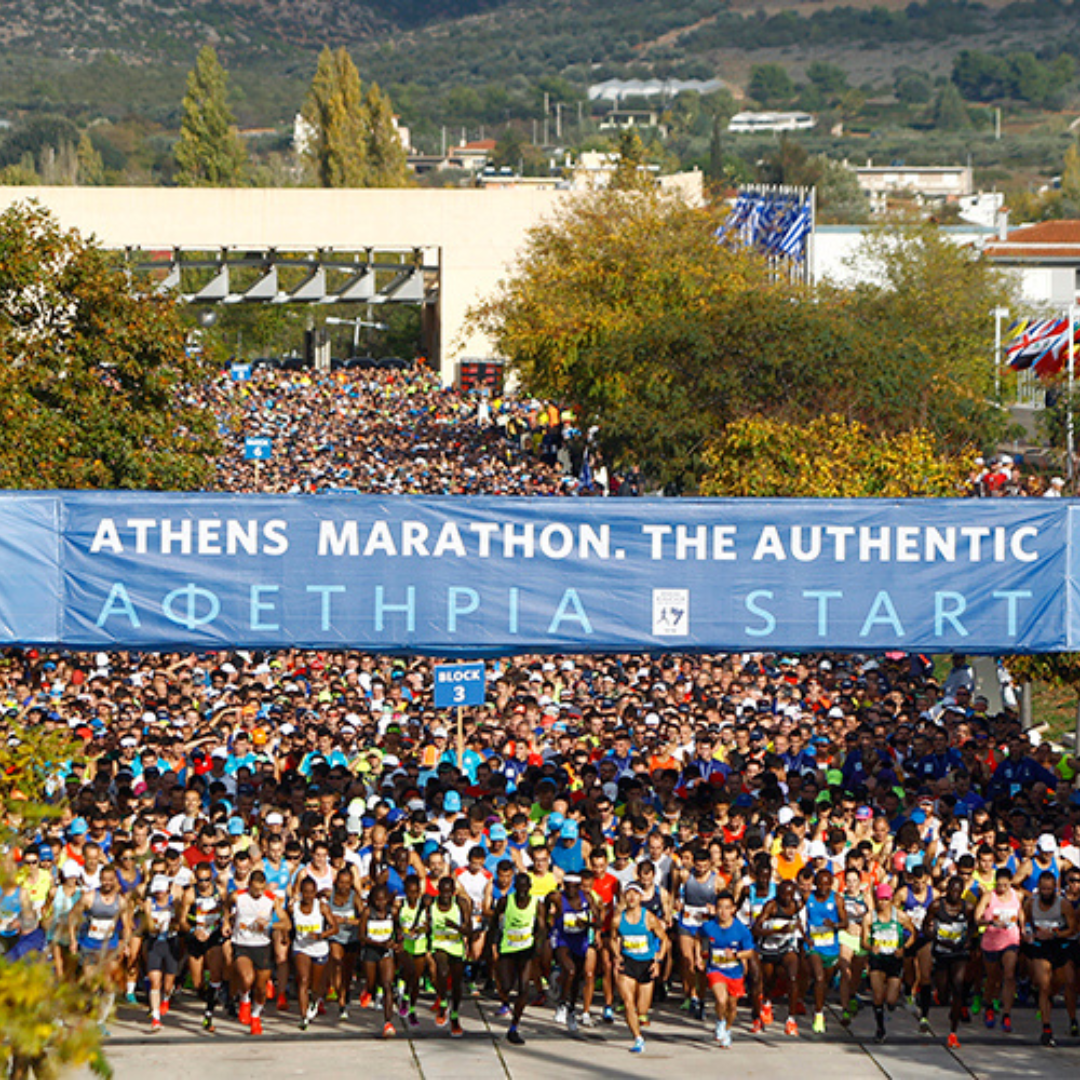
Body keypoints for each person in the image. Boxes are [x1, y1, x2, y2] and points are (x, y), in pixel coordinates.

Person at [229, 869, 291, 1036]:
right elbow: (226, 907)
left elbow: (286, 923)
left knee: (261, 988)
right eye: (255, 890)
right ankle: (244, 998)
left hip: (262, 945)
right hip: (242, 943)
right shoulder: (238, 896)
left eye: (261, 889)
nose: (258, 893)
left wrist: (270, 925)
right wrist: (227, 921)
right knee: (247, 978)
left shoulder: (271, 899)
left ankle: (256, 1016)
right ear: (249, 885)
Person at [1022, 870, 1077, 1046]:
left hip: (1059, 944)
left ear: (1055, 888)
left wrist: (1055, 933)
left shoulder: (1063, 905)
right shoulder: (1031, 903)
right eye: (1043, 889)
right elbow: (1026, 921)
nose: (1046, 892)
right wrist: (1028, 933)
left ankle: (1073, 1018)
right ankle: (1046, 1028)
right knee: (1043, 985)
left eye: (1049, 889)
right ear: (1039, 888)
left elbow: (1073, 929)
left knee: (1068, 981)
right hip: (1040, 947)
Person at [612, 881, 667, 1053]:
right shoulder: (617, 919)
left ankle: (639, 1024)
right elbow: (613, 939)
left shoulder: (649, 917)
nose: (631, 897)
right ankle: (638, 1038)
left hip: (646, 964)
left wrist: (658, 960)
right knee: (629, 1004)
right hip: (628, 962)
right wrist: (617, 955)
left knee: (642, 1009)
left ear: (641, 897)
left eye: (635, 893)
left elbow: (665, 940)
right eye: (628, 893)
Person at [698, 888, 753, 1049]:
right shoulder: (709, 926)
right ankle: (720, 1022)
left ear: (733, 909)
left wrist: (736, 955)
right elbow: (697, 938)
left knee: (732, 1006)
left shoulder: (741, 929)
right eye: (720, 907)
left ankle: (728, 1029)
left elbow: (750, 952)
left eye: (727, 908)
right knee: (721, 999)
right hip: (716, 969)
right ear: (715, 909)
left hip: (735, 972)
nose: (723, 912)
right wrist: (698, 956)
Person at [495, 871, 544, 1046]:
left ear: (530, 888)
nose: (523, 892)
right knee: (507, 986)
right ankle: (505, 1001)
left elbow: (542, 927)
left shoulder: (536, 904)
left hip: (526, 949)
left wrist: (538, 945)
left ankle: (514, 1027)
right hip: (507, 949)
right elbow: (494, 922)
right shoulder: (505, 901)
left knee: (524, 988)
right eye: (520, 888)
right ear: (515, 887)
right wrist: (493, 945)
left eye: (526, 888)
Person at [925, 875, 974, 1048]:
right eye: (951, 890)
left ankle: (953, 1032)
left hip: (959, 952)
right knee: (944, 995)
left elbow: (972, 926)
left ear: (962, 892)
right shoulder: (937, 906)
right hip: (941, 952)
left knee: (958, 986)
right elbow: (925, 926)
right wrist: (936, 937)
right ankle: (940, 993)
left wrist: (967, 940)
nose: (954, 893)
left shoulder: (967, 908)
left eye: (957, 891)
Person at [863, 883, 913, 1044]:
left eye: (886, 899)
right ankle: (880, 1028)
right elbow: (863, 941)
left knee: (891, 999)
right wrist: (871, 947)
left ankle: (891, 1004)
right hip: (877, 959)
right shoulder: (870, 917)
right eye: (880, 899)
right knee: (877, 995)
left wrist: (903, 948)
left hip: (894, 959)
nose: (883, 903)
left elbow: (913, 933)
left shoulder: (899, 916)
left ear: (891, 899)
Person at [975, 866, 1023, 1033]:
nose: (1002, 888)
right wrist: (990, 922)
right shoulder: (990, 896)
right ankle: (988, 1005)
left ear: (1010, 883)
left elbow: (1022, 917)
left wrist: (1025, 931)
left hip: (1011, 939)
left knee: (1009, 975)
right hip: (992, 941)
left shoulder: (1017, 896)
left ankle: (1006, 1014)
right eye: (999, 885)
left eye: (1005, 885)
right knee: (992, 979)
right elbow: (976, 917)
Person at [179, 862, 227, 1032]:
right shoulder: (190, 894)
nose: (204, 883)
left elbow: (226, 910)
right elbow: (182, 920)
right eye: (201, 880)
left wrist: (225, 923)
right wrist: (193, 931)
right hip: (196, 937)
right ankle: (208, 995)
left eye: (207, 879)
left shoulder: (220, 891)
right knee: (198, 982)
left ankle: (209, 1013)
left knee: (215, 973)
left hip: (213, 935)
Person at [754, 879, 803, 1036]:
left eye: (790, 894)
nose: (787, 898)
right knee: (769, 979)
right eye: (783, 894)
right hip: (769, 947)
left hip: (787, 946)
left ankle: (791, 1019)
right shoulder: (771, 906)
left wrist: (805, 938)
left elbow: (799, 923)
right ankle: (767, 1001)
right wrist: (776, 932)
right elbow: (756, 928)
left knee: (793, 977)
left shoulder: (797, 905)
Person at [551, 873, 599, 1031]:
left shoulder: (587, 898)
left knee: (577, 976)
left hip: (580, 939)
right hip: (562, 939)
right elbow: (544, 905)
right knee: (570, 970)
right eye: (567, 887)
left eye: (574, 887)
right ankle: (562, 1004)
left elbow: (598, 920)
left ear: (579, 887)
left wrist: (587, 923)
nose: (570, 891)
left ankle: (572, 1008)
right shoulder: (557, 897)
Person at [430, 874, 472, 1038]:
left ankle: (454, 1015)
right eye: (443, 892)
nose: (446, 896)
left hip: (456, 945)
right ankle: (442, 1001)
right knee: (441, 970)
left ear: (454, 892)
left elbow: (470, 931)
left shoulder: (461, 904)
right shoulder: (431, 904)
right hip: (438, 944)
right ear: (438, 891)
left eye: (449, 892)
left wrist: (455, 926)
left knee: (456, 983)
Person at [803, 867, 844, 1034]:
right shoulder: (808, 898)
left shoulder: (837, 900)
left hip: (830, 946)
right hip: (813, 946)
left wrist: (834, 925)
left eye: (827, 885)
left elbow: (845, 922)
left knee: (825, 981)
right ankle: (819, 1015)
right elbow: (799, 919)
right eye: (820, 884)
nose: (823, 888)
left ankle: (819, 1002)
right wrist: (804, 937)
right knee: (819, 978)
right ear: (815, 884)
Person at [360, 883, 399, 1037]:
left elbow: (398, 929)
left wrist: (398, 943)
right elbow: (361, 936)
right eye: (377, 900)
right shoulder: (367, 913)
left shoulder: (392, 912)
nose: (380, 903)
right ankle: (368, 990)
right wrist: (377, 943)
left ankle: (388, 1022)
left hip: (386, 951)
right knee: (371, 983)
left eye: (383, 900)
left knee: (387, 985)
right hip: (371, 950)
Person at [143, 875, 181, 1031]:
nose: (159, 894)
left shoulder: (174, 901)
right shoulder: (149, 903)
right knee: (155, 981)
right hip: (155, 943)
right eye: (156, 891)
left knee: (167, 984)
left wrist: (174, 925)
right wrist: (154, 928)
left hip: (170, 942)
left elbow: (179, 920)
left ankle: (166, 997)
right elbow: (149, 923)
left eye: (162, 891)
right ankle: (156, 1018)